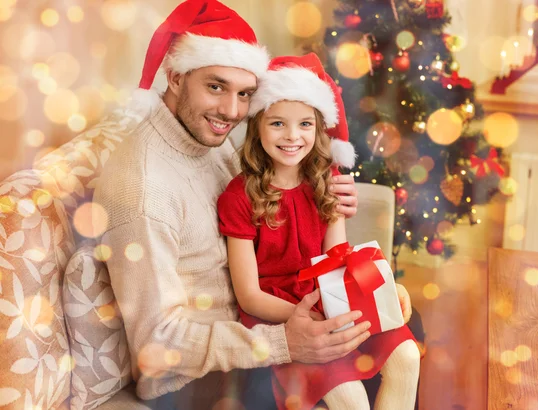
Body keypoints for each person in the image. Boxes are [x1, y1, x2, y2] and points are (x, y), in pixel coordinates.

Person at [93, 1, 403, 408]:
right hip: (201, 378)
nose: (233, 111)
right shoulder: (143, 190)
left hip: (257, 322)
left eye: (245, 95)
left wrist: (332, 194)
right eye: (215, 87)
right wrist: (284, 342)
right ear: (173, 76)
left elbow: (279, 177)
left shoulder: (207, 137)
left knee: (399, 330)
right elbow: (158, 342)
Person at [217, 54, 421, 410]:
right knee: (350, 397)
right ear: (258, 126)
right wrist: (309, 318)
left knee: (407, 356)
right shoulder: (238, 196)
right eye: (278, 123)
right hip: (279, 311)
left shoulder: (326, 184)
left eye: (305, 124)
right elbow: (249, 296)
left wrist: (382, 289)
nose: (293, 136)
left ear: (318, 127)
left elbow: (338, 259)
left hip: (329, 297)